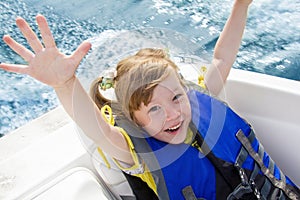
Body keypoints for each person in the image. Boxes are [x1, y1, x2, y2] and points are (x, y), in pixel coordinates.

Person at [1, 0, 299, 199]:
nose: (172, 114)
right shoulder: (136, 155)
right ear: (135, 120)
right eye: (154, 108)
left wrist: (240, 5)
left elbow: (221, 58)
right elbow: (99, 130)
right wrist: (65, 83)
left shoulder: (197, 103)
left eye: (175, 98)